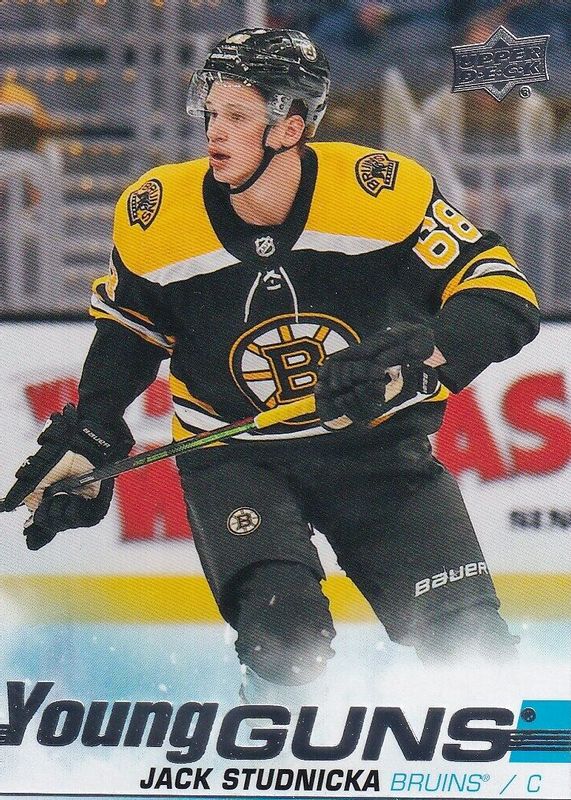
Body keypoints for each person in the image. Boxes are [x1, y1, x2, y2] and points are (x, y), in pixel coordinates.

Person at [4, 29, 540, 703]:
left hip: (376, 450)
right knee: (287, 644)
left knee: (470, 644)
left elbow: (501, 291)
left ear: (289, 126)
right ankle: (268, 734)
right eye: (211, 112)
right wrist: (94, 427)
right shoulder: (157, 213)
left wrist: (418, 352)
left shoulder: (379, 192)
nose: (214, 131)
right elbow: (130, 332)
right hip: (236, 458)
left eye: (237, 115)